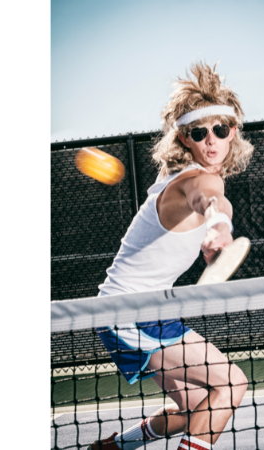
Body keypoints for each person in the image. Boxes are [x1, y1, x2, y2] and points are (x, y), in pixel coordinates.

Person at [91, 62, 255, 450]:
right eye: (200, 132)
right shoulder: (196, 180)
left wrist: (212, 242)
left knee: (199, 409)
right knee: (231, 383)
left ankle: (114, 447)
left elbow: (205, 217)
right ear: (184, 139)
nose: (212, 140)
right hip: (130, 311)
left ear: (233, 132)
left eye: (221, 129)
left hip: (132, 310)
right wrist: (220, 227)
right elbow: (212, 201)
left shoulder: (178, 182)